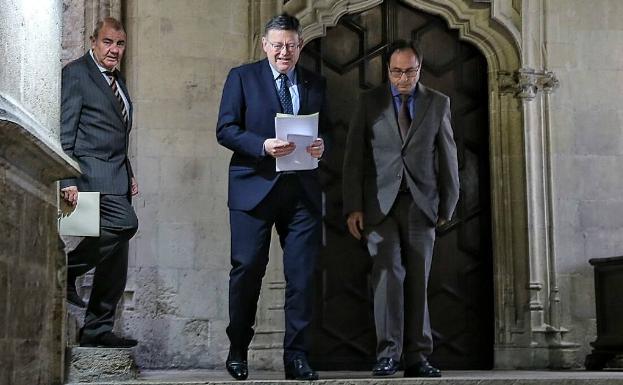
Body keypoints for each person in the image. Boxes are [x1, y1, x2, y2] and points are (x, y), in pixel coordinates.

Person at [216, 13, 327, 381]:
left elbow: (326, 132)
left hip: (301, 193)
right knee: (247, 269)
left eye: (291, 45)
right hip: (253, 189)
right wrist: (262, 145)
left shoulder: (316, 82)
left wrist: (321, 147)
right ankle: (237, 349)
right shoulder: (242, 78)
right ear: (265, 45)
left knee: (303, 276)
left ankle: (296, 356)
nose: (284, 52)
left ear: (300, 46)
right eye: (277, 45)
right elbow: (226, 130)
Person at [342, 39, 459, 378]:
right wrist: (353, 206)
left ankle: (418, 357)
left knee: (419, 280)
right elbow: (353, 159)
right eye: (396, 72)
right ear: (388, 71)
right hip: (379, 206)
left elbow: (448, 156)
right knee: (387, 274)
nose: (402, 78)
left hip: (422, 206)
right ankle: (388, 354)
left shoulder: (438, 103)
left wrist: (447, 205)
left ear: (419, 69)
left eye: (409, 71)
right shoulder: (369, 102)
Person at [59, 17, 139, 348]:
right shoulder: (77, 74)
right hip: (90, 176)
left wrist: (129, 171)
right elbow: (65, 129)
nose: (114, 50)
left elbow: (117, 133)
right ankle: (69, 268)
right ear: (94, 41)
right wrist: (66, 177)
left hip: (118, 177)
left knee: (115, 259)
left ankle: (96, 330)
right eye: (108, 42)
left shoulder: (117, 81)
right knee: (125, 224)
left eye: (119, 44)